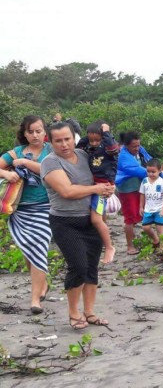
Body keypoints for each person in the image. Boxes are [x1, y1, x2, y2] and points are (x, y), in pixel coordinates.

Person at [41, 122, 115, 329]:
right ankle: (74, 313)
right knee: (78, 266)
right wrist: (96, 188)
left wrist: (108, 187)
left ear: (73, 138)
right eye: (58, 141)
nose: (64, 144)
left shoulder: (84, 155)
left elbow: (102, 175)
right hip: (65, 222)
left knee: (91, 268)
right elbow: (67, 191)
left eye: (67, 139)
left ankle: (89, 312)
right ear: (51, 141)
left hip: (90, 220)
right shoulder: (50, 162)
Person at [0, 115, 52, 314]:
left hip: (45, 208)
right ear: (24, 134)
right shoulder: (16, 152)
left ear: (45, 132)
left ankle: (35, 300)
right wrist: (5, 173)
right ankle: (43, 284)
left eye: (38, 131)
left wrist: (24, 163)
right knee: (27, 251)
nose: (35, 135)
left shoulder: (51, 151)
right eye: (30, 131)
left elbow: (48, 170)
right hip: (20, 210)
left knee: (39, 247)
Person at [76, 121, 119, 263]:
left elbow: (113, 149)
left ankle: (109, 247)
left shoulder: (108, 148)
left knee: (96, 218)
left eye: (97, 140)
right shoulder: (88, 147)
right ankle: (98, 243)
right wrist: (87, 137)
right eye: (91, 140)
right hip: (92, 185)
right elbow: (78, 147)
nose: (94, 143)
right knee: (97, 217)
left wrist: (106, 132)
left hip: (103, 187)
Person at [116, 131, 163, 255]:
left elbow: (150, 162)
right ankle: (130, 246)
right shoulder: (123, 157)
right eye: (134, 146)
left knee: (146, 213)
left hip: (140, 189)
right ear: (126, 146)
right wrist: (159, 176)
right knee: (130, 218)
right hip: (127, 191)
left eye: (138, 145)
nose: (137, 148)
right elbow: (141, 171)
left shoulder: (140, 152)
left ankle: (155, 239)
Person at [139, 158, 163, 247]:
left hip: (159, 210)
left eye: (153, 172)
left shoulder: (162, 182)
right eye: (148, 171)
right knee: (146, 227)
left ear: (160, 171)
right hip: (148, 209)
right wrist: (141, 207)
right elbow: (142, 194)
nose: (151, 174)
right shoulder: (144, 181)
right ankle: (155, 239)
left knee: (160, 228)